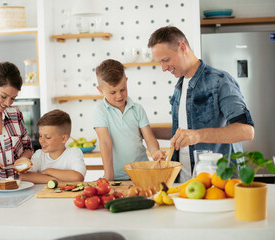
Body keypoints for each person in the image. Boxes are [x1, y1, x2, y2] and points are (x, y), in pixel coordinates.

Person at [148, 26, 254, 182]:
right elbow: (182, 132)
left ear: (182, 47)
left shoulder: (220, 81)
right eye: (160, 63)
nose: (163, 68)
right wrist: (145, 131)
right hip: (184, 182)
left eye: (166, 60)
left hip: (218, 182)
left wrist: (196, 135)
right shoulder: (179, 86)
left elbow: (246, 131)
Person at [93, 59, 166, 181]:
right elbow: (105, 142)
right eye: (113, 92)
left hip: (142, 174)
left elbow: (149, 138)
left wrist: (155, 152)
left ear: (126, 81)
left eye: (122, 89)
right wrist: (109, 177)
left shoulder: (137, 109)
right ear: (100, 90)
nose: (119, 95)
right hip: (116, 177)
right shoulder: (100, 110)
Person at [19, 109, 86, 183]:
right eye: (40, 135)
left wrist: (49, 171)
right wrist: (54, 180)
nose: (41, 140)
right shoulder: (39, 154)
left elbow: (78, 177)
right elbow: (23, 176)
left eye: (47, 137)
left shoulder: (73, 152)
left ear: (64, 138)